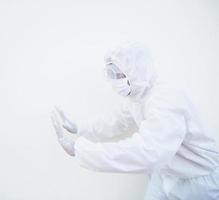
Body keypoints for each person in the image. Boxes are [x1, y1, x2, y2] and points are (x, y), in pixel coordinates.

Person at [51, 42, 219, 200]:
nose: (116, 80)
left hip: (198, 179)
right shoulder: (138, 97)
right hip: (166, 175)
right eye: (112, 74)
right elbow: (114, 121)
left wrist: (80, 150)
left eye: (120, 74)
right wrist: (78, 127)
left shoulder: (166, 99)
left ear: (138, 69)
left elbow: (148, 152)